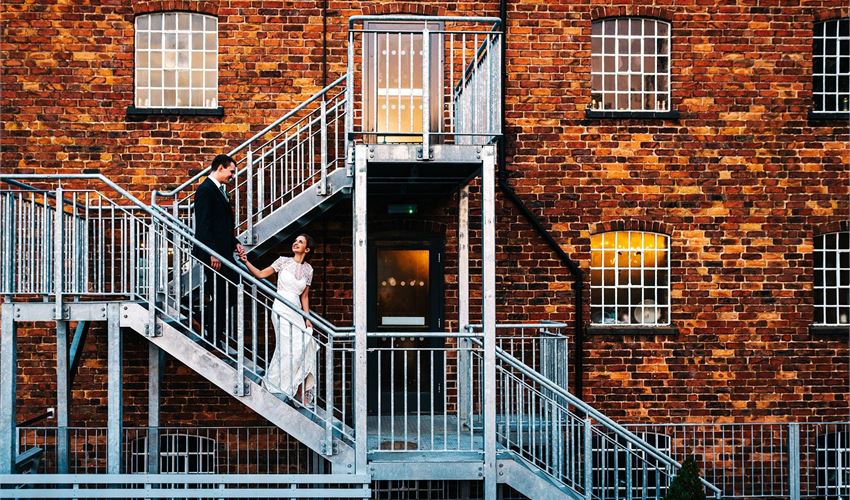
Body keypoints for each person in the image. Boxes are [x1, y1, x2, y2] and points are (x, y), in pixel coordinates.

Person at [239, 234, 317, 407]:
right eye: (295, 240)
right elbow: (260, 274)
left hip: (296, 310)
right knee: (287, 347)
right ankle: (277, 386)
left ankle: (298, 388)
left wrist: (307, 318)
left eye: (301, 242)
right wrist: (246, 262)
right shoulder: (282, 261)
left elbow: (304, 297)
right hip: (281, 307)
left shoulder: (309, 269)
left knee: (304, 342)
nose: (296, 243)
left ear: (307, 249)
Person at [192, 153, 244, 353]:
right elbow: (204, 225)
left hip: (223, 252)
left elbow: (221, 226)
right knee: (223, 294)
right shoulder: (206, 190)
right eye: (231, 172)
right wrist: (211, 253)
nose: (232, 176)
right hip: (213, 254)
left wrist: (235, 243)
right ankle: (213, 338)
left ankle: (202, 318)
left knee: (230, 292)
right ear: (220, 167)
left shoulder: (219, 190)